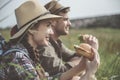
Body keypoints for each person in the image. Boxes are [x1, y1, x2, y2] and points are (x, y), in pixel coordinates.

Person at [1, 0, 95, 80]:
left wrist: (81, 67)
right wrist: (89, 73)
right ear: (31, 29)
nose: (51, 32)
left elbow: (50, 78)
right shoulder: (19, 59)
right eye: (48, 25)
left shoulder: (29, 53)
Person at [39, 0, 100, 79]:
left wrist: (87, 49)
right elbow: (62, 72)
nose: (69, 23)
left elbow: (73, 55)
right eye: (65, 19)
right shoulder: (44, 45)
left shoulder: (56, 41)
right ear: (53, 22)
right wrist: (91, 53)